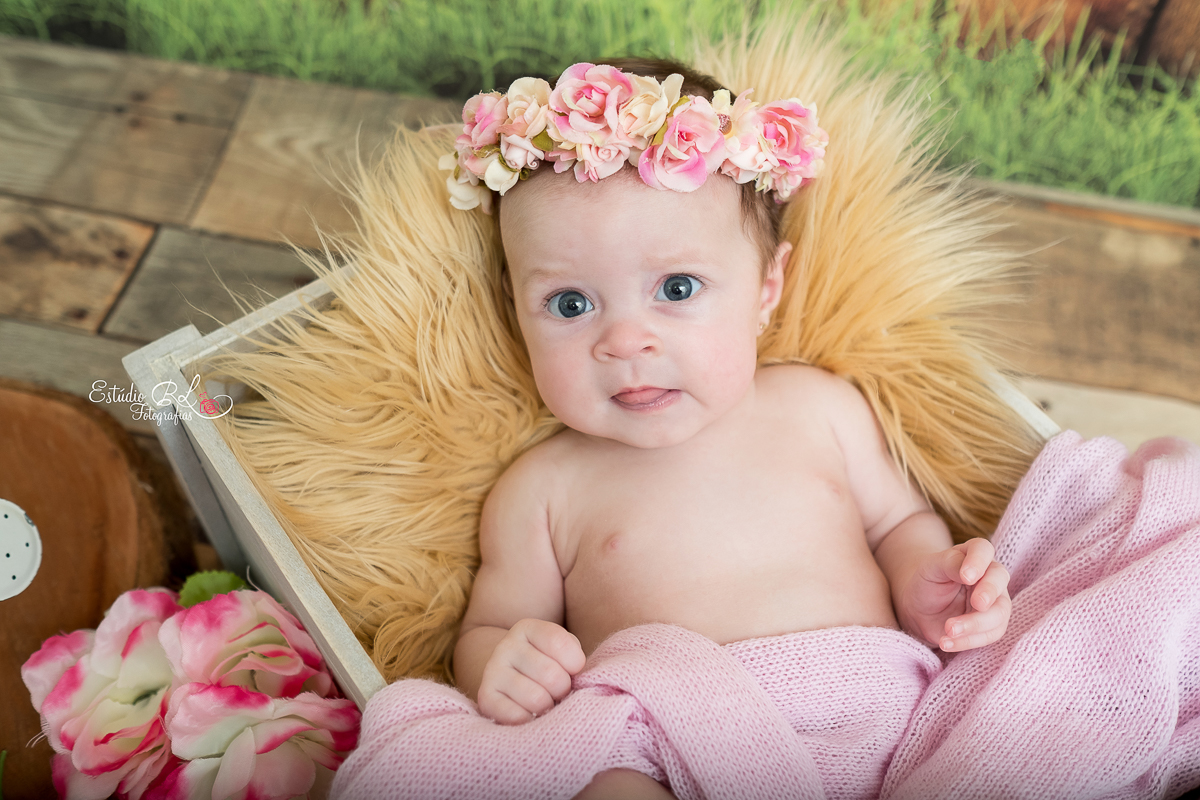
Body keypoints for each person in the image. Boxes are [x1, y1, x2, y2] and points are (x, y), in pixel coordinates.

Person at [444, 58, 1013, 799]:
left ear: (765, 289)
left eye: (676, 289)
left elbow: (900, 521)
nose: (625, 342)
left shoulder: (819, 407)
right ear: (514, 310)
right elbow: (488, 629)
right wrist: (501, 663)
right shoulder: (539, 490)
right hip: (666, 748)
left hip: (880, 717)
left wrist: (924, 581)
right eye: (570, 305)